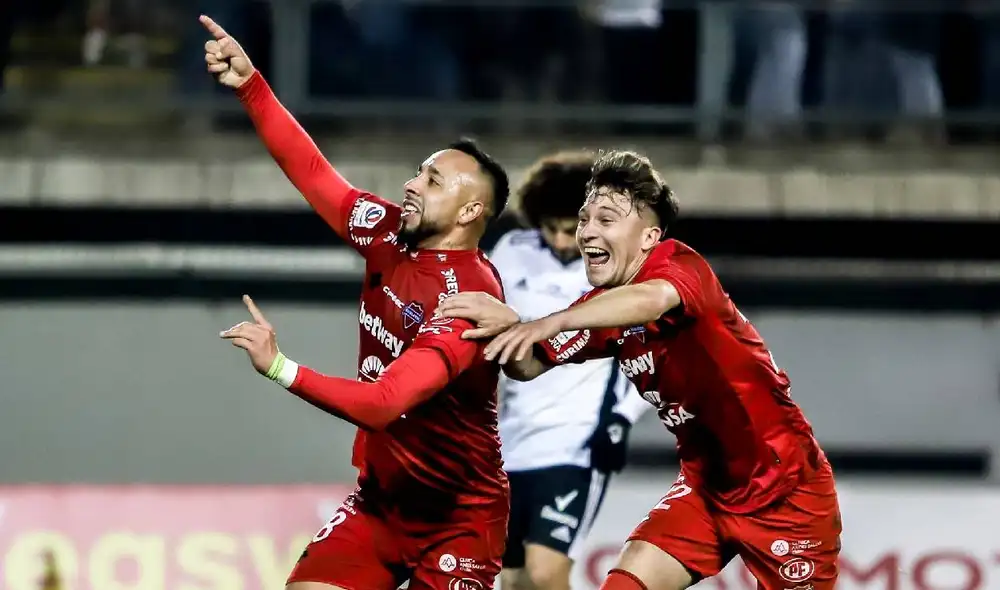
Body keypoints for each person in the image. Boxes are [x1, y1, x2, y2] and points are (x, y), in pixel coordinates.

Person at [201, 15, 512, 590]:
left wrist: (279, 367)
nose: (413, 184)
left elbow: (384, 403)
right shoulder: (387, 232)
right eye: (419, 172)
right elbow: (312, 171)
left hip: (457, 520)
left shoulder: (468, 299)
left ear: (471, 213)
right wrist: (251, 86)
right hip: (381, 503)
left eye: (434, 181)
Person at [438, 150, 842, 590]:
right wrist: (502, 329)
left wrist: (549, 320)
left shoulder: (680, 267)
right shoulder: (601, 310)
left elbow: (652, 299)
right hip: (705, 492)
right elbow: (531, 364)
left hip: (786, 492)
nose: (587, 232)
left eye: (605, 220)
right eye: (585, 219)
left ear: (649, 237)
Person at [488, 152, 649, 590]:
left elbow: (644, 347)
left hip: (574, 443)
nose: (561, 240)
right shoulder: (511, 253)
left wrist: (620, 419)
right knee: (512, 580)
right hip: (508, 443)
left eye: (570, 229)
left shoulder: (616, 269)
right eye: (551, 228)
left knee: (547, 571)